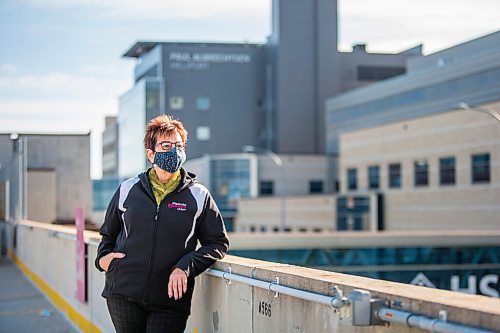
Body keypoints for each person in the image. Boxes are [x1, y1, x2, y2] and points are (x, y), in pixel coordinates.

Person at [95, 115, 229, 333]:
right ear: (151, 154)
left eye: (178, 145)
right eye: (166, 146)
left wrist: (186, 266)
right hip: (123, 291)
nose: (174, 151)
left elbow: (218, 243)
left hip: (170, 298)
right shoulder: (128, 189)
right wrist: (103, 259)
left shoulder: (198, 195)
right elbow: (108, 234)